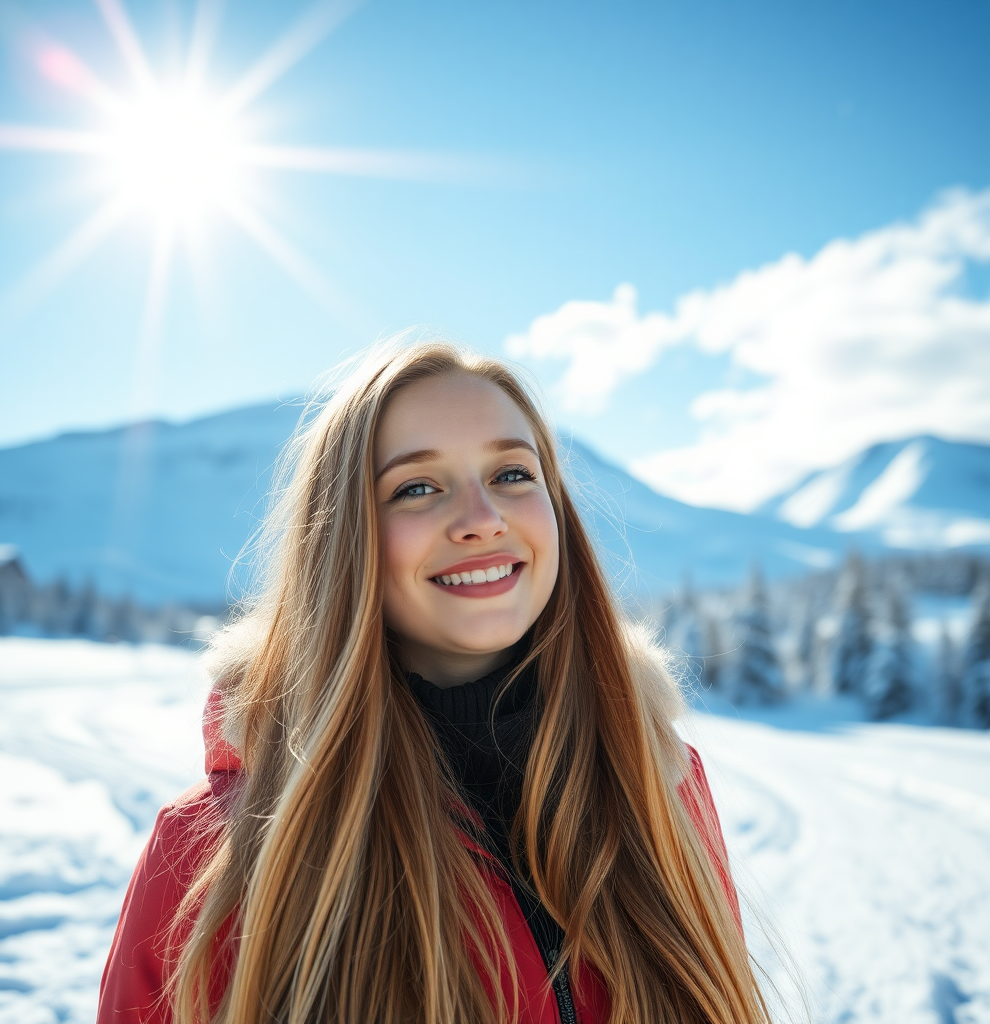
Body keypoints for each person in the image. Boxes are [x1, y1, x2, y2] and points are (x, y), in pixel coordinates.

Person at [98, 343, 770, 1024]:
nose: (482, 517)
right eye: (417, 487)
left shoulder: (660, 784)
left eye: (512, 473)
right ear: (343, 539)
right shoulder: (212, 850)